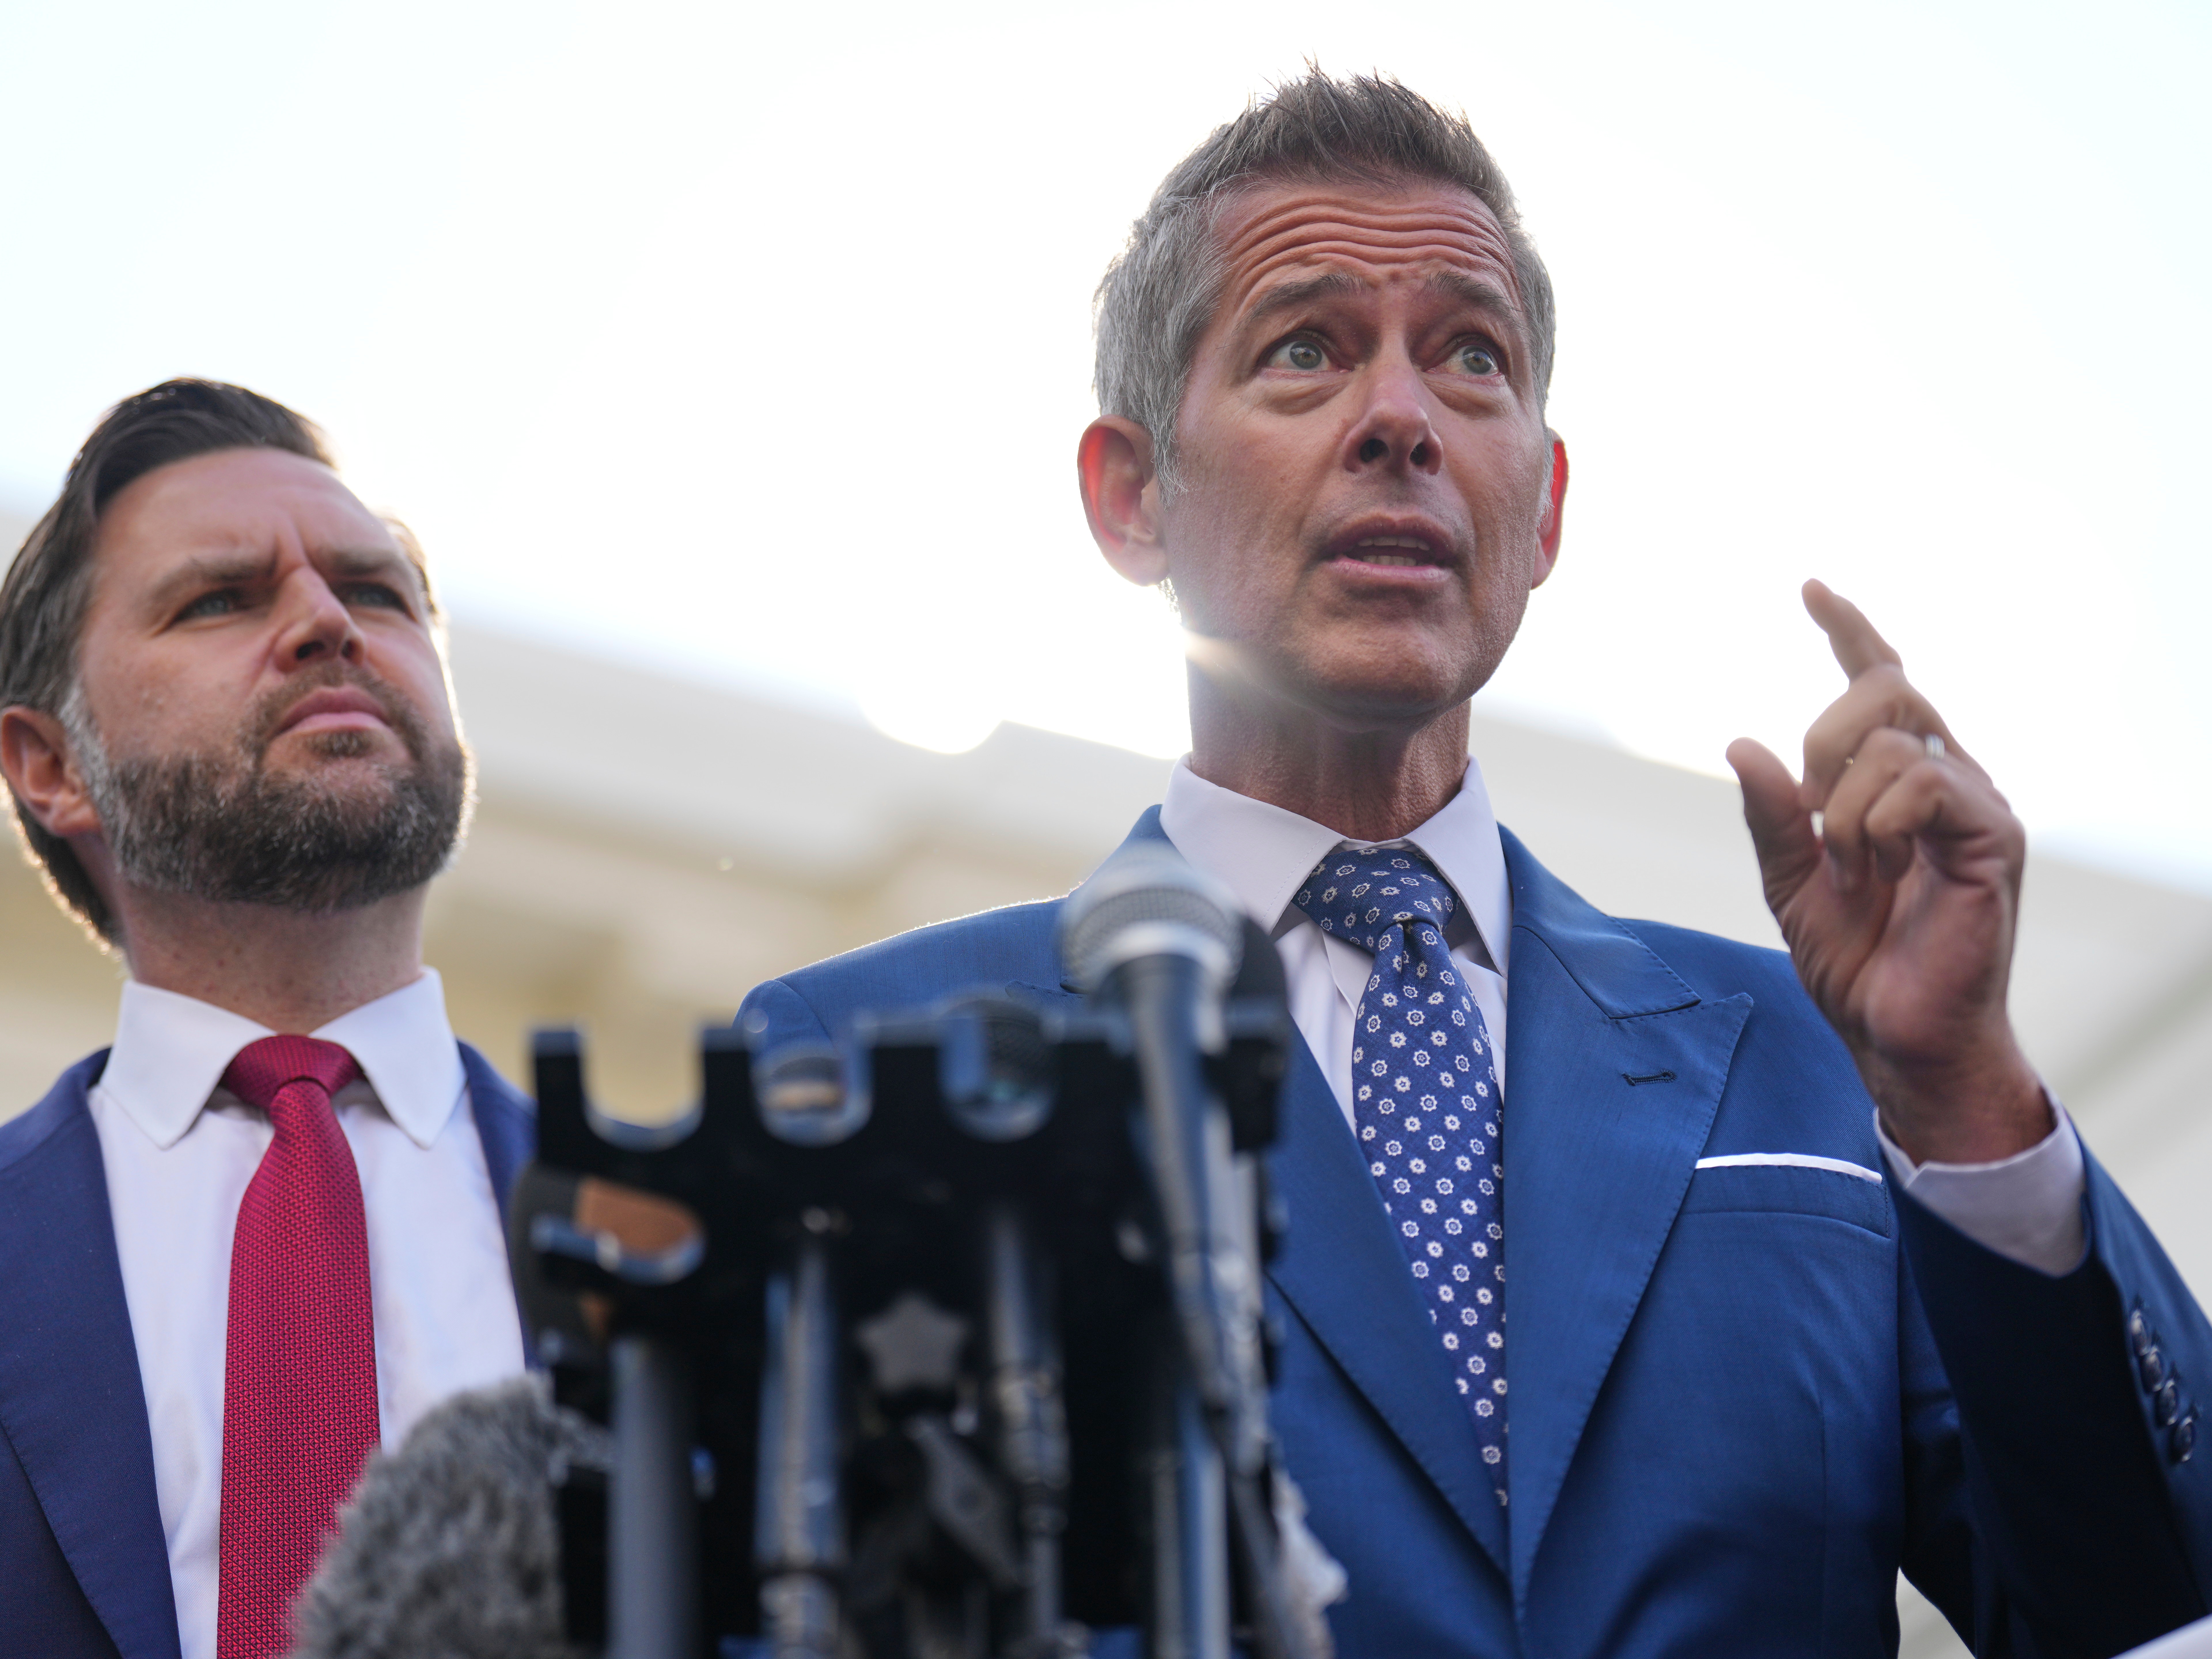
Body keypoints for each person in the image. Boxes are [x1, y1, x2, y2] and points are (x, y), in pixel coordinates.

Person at [739, 73, 2212, 1654]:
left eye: (1473, 360)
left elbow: (2149, 1600)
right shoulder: (856, 1073)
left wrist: (1970, 1098)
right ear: (1133, 495)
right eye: (1305, 349)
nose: (1402, 418)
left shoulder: (1816, 1067)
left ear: (1547, 508)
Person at [0, 381, 533, 1659]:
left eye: (379, 592)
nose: (326, 625)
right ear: (50, 766)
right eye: (221, 598)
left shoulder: (690, 1244)